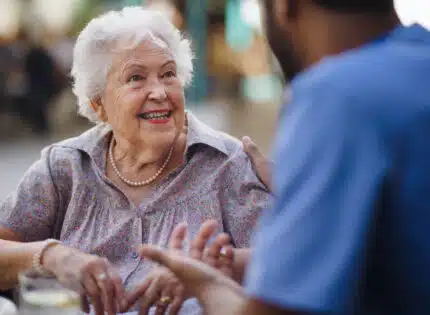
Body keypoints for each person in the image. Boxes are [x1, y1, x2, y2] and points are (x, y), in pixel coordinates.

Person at [138, 0, 430, 314]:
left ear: (283, 6)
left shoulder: (336, 97)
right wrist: (236, 264)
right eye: (136, 79)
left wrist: (207, 286)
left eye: (168, 76)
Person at [0, 7, 272, 315]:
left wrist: (212, 274)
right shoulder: (64, 168)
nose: (159, 92)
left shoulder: (227, 162)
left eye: (169, 74)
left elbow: (290, 257)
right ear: (98, 104)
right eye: (136, 78)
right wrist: (51, 256)